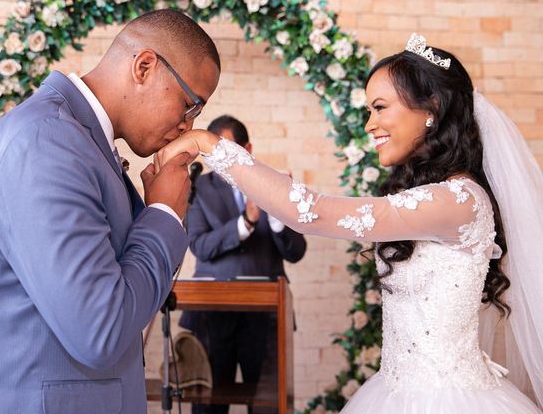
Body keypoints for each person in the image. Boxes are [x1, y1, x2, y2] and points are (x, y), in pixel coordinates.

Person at [155, 33, 543, 413]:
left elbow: (312, 211)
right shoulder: (436, 196)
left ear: (431, 109)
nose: (370, 124)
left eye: (380, 107)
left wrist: (207, 144)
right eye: (368, 111)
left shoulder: (458, 201)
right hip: (394, 391)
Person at [0, 9, 220, 413]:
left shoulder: (80, 141)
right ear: (144, 66)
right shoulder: (46, 142)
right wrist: (163, 214)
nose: (187, 125)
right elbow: (101, 332)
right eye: (189, 104)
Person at [181, 115, 306, 414]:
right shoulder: (197, 187)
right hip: (211, 316)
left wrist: (276, 215)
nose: (219, 161)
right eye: (213, 155)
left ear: (247, 148)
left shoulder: (274, 183)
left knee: (268, 405)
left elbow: (297, 250)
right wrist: (245, 222)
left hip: (265, 320)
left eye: (227, 151)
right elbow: (200, 246)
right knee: (208, 408)